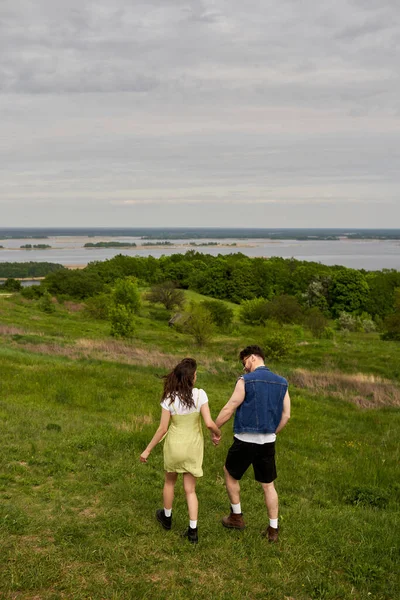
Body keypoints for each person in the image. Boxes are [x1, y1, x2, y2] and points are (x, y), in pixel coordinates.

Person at [214, 345, 290, 542]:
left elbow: (230, 407)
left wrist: (214, 427)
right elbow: (286, 415)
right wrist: (273, 432)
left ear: (254, 358)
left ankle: (236, 517)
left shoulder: (245, 381)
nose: (244, 367)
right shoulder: (282, 383)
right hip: (267, 442)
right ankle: (273, 529)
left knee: (230, 474)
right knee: (268, 485)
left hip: (245, 439)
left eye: (245, 362)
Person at [140, 357, 221, 544]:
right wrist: (217, 434)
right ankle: (193, 531)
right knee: (190, 490)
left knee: (169, 483)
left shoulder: (169, 398)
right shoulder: (200, 395)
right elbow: (209, 423)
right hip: (193, 448)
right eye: (195, 374)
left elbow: (162, 429)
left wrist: (147, 450)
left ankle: (167, 518)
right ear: (192, 378)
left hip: (174, 447)